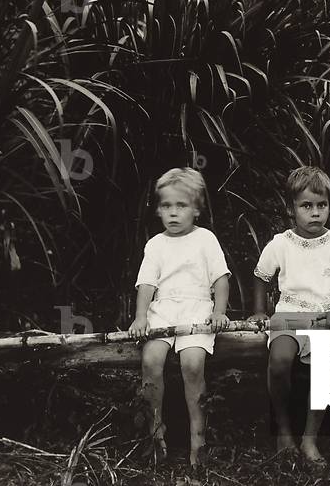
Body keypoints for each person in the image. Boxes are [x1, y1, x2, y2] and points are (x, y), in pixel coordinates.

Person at [247, 166, 330, 464]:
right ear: (292, 209)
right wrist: (260, 312)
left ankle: (310, 439)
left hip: (325, 321)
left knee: (324, 371)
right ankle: (284, 430)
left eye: (321, 205)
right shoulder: (281, 243)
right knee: (280, 362)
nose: (315, 213)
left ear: (329, 207)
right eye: (306, 206)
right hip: (289, 316)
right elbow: (261, 277)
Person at [128, 168, 230, 465]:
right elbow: (146, 284)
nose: (173, 213)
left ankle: (199, 437)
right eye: (166, 206)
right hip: (163, 310)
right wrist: (140, 317)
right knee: (151, 360)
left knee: (192, 363)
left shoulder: (206, 239)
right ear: (158, 209)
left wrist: (219, 312)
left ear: (196, 209)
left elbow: (220, 279)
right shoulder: (156, 244)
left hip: (197, 309)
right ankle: (155, 431)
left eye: (181, 206)